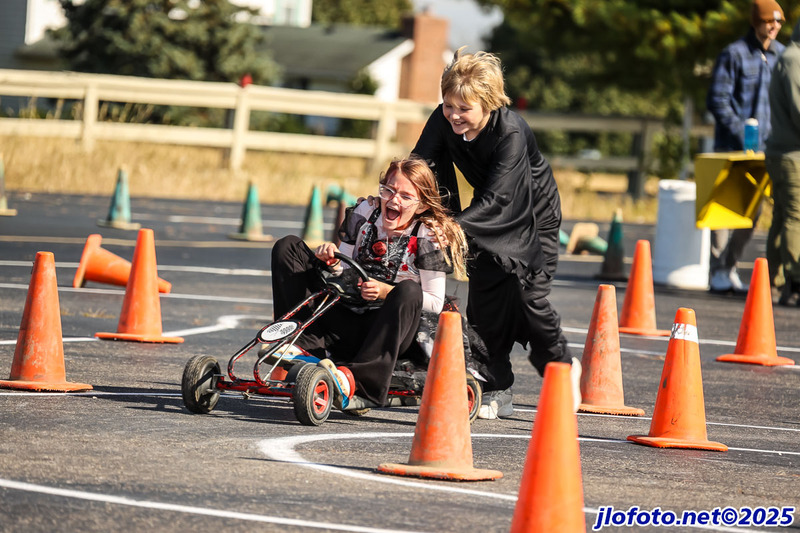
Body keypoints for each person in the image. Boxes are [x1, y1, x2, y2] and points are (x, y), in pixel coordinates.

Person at [411, 47, 580, 419]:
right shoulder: (443, 119)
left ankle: (563, 368)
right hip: (489, 210)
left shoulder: (511, 131)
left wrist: (455, 226)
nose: (454, 114)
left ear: (487, 104)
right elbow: (420, 164)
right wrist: (404, 202)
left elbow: (503, 197)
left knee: (527, 296)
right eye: (448, 105)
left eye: (463, 108)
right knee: (485, 297)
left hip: (533, 214)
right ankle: (496, 387)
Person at [270, 156, 469, 407]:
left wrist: (388, 292)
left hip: (387, 328)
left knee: (408, 290)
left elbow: (434, 302)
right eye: (389, 190)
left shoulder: (427, 234)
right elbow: (343, 272)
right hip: (346, 313)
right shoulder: (366, 212)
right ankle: (301, 344)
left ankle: (361, 378)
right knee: (287, 247)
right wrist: (331, 264)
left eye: (405, 197)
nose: (394, 200)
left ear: (420, 206)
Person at [706, 0, 786, 293]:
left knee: (752, 213)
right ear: (756, 22)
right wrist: (743, 134)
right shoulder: (734, 55)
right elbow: (718, 100)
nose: (774, 27)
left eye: (778, 22)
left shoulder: (780, 56)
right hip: (732, 148)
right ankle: (716, 270)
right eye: (769, 21)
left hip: (766, 150)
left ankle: (728, 266)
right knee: (724, 213)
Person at [766, 19, 800, 306]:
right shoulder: (795, 60)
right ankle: (796, 280)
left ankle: (773, 281)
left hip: (783, 151)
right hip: (792, 154)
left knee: (782, 218)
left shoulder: (788, 56)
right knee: (795, 217)